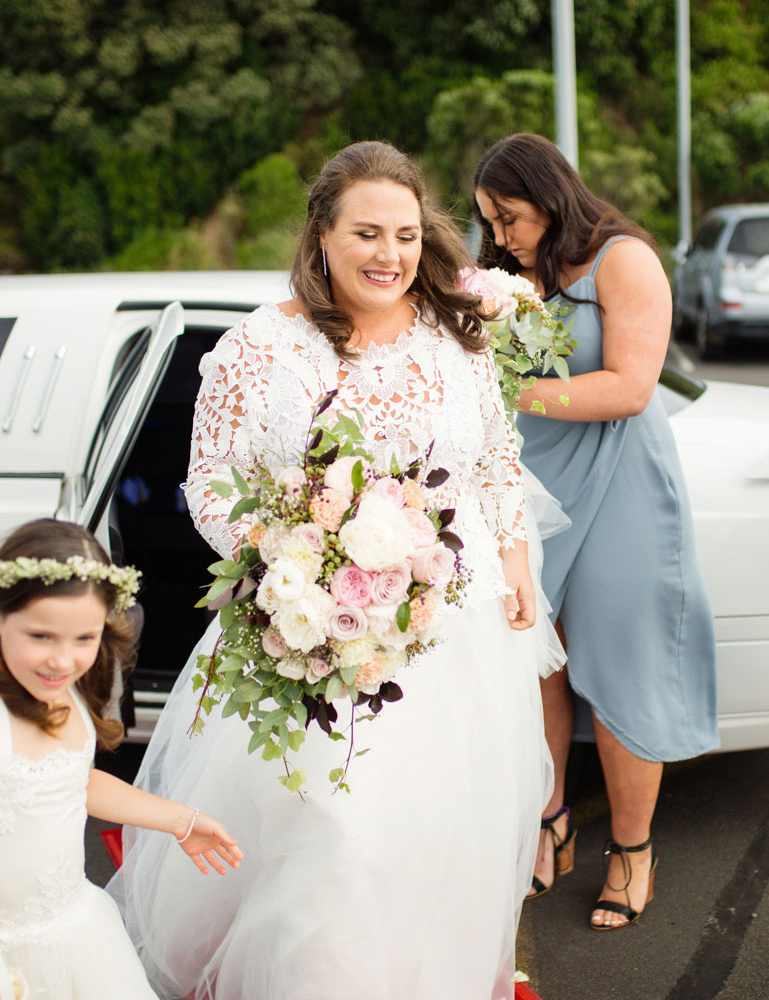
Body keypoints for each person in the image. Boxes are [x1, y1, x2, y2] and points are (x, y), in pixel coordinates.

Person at [108, 140, 558, 1000]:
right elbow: (207, 481)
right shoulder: (258, 347)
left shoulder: (456, 342)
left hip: (452, 635)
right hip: (313, 636)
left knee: (435, 835)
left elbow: (496, 460)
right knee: (337, 828)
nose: (388, 255)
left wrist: (516, 564)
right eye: (366, 234)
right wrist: (283, 560)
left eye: (404, 235)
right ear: (321, 234)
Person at [471, 132, 718, 931]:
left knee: (618, 671)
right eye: (491, 224)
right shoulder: (508, 276)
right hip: (530, 485)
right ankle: (551, 824)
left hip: (618, 482)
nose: (502, 237)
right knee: (533, 665)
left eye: (509, 218)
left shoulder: (623, 259)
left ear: (549, 194)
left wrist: (506, 387)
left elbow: (632, 387)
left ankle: (633, 848)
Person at [0, 518, 240, 1000]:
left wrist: (180, 820)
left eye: (84, 639)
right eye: (41, 637)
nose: (62, 661)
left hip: (75, 936)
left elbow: (73, 782)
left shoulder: (69, 693)